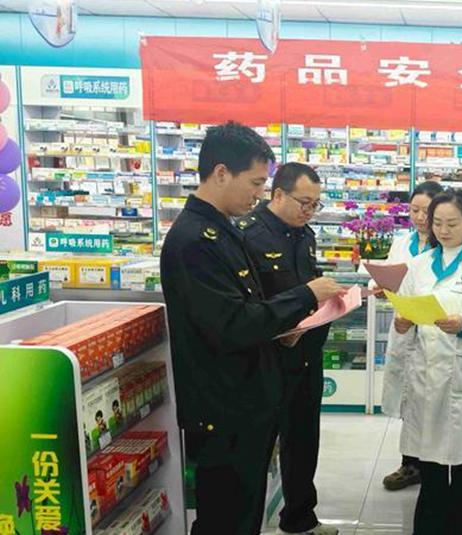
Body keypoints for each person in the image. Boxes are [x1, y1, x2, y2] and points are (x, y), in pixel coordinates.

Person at [160, 121, 344, 535]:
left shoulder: (222, 229)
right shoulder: (196, 240)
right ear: (221, 173)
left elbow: (246, 310)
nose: (259, 193)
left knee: (243, 515)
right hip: (224, 406)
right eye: (256, 183)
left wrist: (283, 330)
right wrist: (305, 296)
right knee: (226, 519)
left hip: (246, 400)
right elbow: (231, 324)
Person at [392, 188, 462, 534]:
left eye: (452, 224)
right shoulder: (419, 265)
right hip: (426, 374)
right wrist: (403, 322)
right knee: (430, 466)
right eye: (437, 223)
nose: (443, 230)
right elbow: (405, 308)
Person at [236, 162, 338, 535]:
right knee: (259, 446)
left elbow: (305, 287)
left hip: (306, 353)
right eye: (304, 203)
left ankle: (300, 517)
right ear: (278, 194)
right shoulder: (247, 235)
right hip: (267, 359)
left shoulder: (304, 235)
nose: (309, 211)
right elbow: (247, 307)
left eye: (315, 205)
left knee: (304, 439)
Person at [376, 180, 444, 492]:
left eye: (426, 211)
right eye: (414, 210)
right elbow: (392, 279)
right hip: (404, 327)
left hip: (434, 330)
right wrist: (381, 288)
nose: (419, 217)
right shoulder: (402, 243)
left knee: (431, 398)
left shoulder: (446, 246)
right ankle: (410, 463)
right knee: (408, 399)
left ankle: (430, 463)